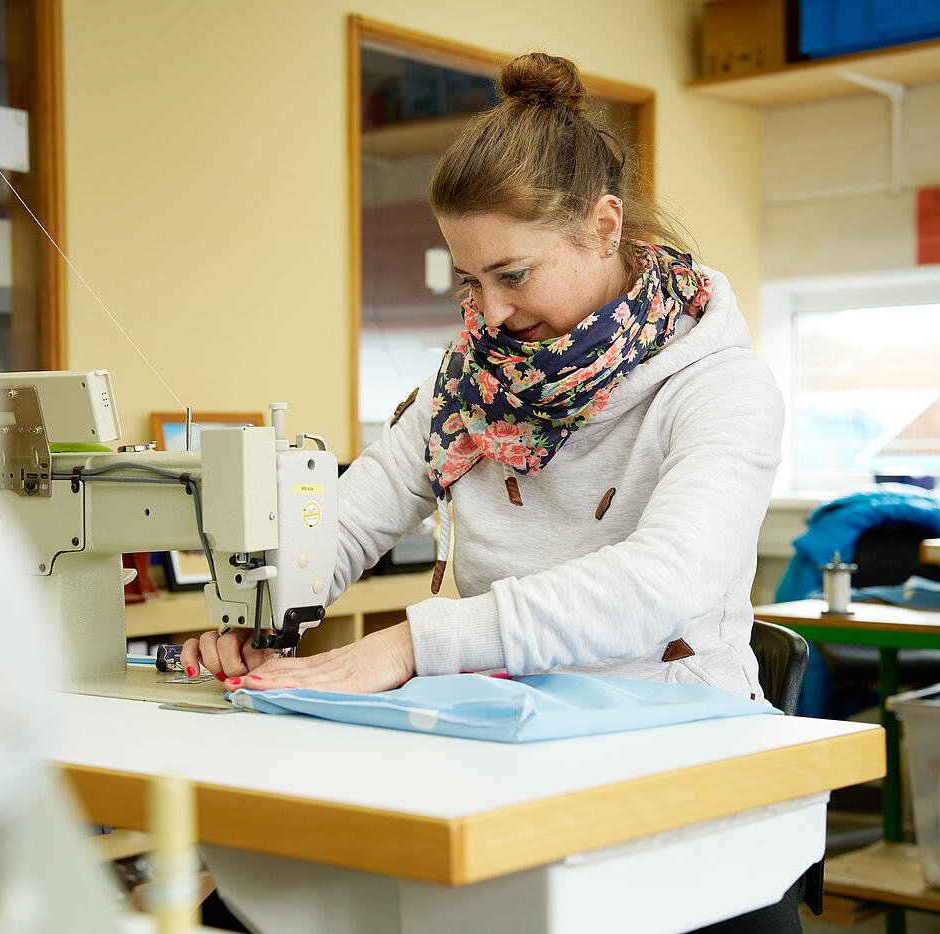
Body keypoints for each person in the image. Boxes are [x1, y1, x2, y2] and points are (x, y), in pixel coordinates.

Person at [183, 50, 797, 934]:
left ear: (605, 225)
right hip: (500, 738)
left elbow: (662, 582)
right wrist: (271, 602)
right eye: (470, 280)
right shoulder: (469, 383)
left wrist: (414, 644)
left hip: (676, 769)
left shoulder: (719, 387)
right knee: (253, 909)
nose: (492, 314)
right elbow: (356, 514)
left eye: (513, 275)